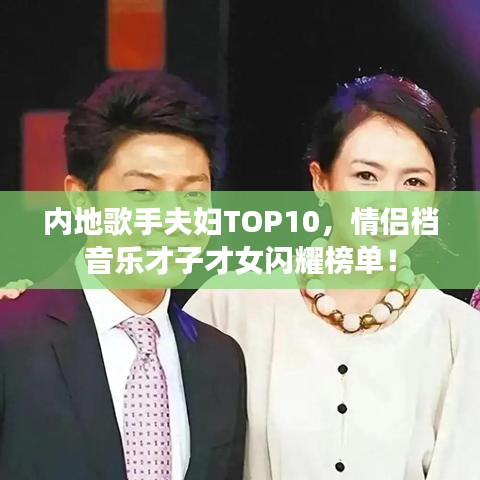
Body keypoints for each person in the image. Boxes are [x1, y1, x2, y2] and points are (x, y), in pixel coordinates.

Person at [182, 75, 480, 479]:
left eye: (413, 182)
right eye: (366, 176)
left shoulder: (461, 335)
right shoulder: (229, 304)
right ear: (321, 180)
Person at [0, 72, 247, 480]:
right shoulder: (13, 338)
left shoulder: (221, 361)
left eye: (193, 194)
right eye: (142, 193)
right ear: (81, 200)